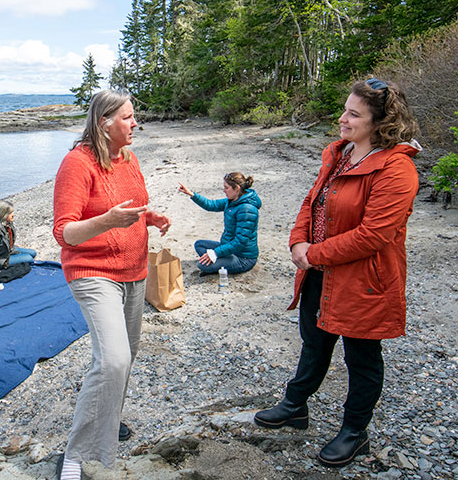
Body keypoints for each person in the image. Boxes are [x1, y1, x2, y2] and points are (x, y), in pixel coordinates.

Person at [253, 78, 420, 468]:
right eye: (345, 109)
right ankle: (295, 406)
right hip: (320, 272)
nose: (342, 119)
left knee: (361, 355)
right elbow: (312, 202)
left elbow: (374, 235)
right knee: (314, 341)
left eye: (354, 114)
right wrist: (297, 242)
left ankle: (354, 432)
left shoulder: (397, 169)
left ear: (380, 122)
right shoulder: (339, 153)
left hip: (366, 279)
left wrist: (315, 254)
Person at [52, 90, 171, 479]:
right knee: (114, 359)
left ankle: (105, 419)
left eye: (134, 116)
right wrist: (107, 221)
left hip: (134, 270)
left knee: (124, 356)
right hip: (92, 271)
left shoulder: (130, 158)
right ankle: (75, 457)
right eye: (128, 118)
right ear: (104, 122)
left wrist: (148, 217)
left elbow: (132, 206)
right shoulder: (77, 163)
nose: (135, 123)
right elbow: (65, 232)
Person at [178, 172, 261, 275]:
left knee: (202, 265)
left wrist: (216, 253)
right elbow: (211, 205)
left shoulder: (247, 210)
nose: (224, 190)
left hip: (243, 258)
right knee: (199, 245)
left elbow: (240, 242)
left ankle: (218, 266)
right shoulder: (232, 200)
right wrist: (191, 194)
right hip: (229, 249)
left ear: (237, 188)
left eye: (226, 187)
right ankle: (219, 263)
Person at [0, 201, 36, 285]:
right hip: (0, 259)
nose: (13, 215)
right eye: (10, 213)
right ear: (2, 214)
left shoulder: (7, 223)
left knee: (33, 253)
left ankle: (15, 255)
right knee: (29, 258)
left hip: (7, 250)